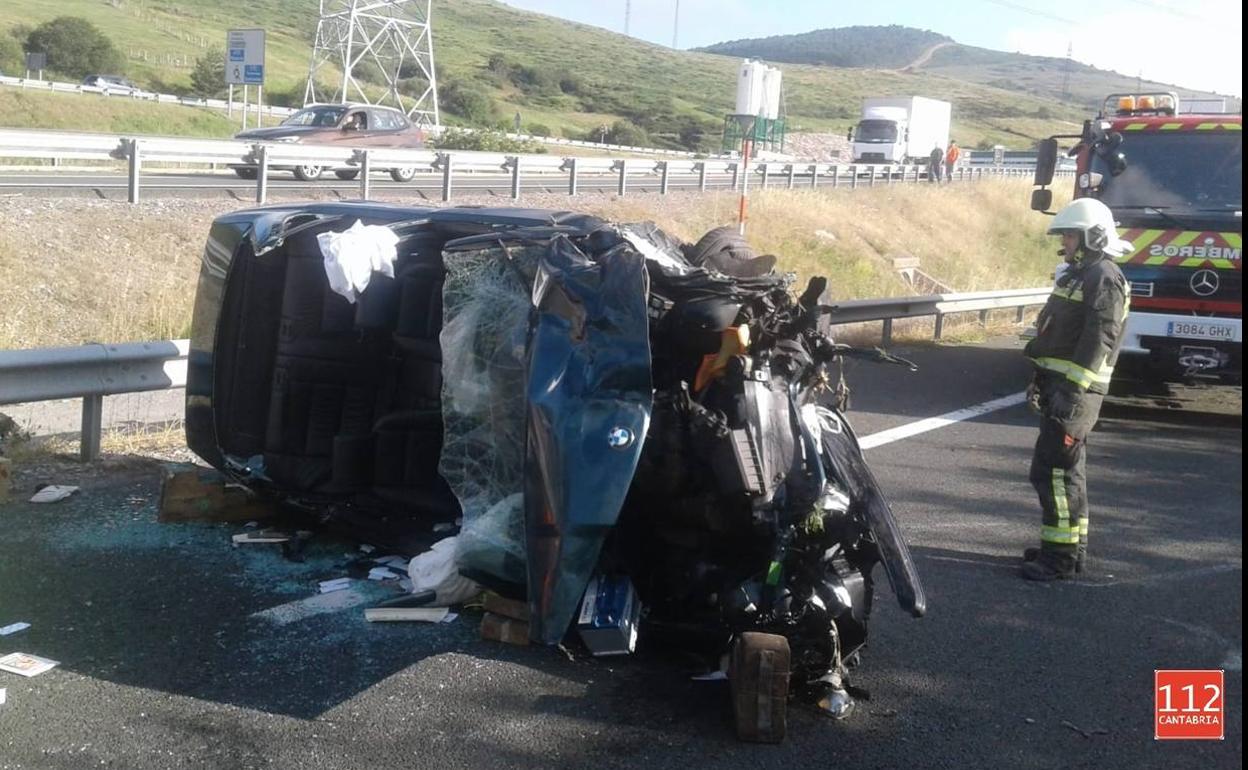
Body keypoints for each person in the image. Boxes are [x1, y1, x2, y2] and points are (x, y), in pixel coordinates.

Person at [1021, 197, 1132, 581]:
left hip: (1073, 394)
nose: (1064, 242)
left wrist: (1072, 389)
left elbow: (1100, 336)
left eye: (1070, 234)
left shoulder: (1103, 276)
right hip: (1061, 388)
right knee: (1068, 473)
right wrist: (1041, 375)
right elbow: (1058, 334)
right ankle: (1070, 548)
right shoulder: (1080, 274)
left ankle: (1059, 560)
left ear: (1091, 236)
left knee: (1052, 472)